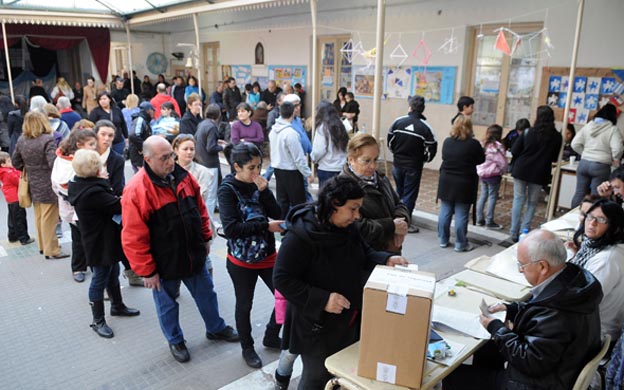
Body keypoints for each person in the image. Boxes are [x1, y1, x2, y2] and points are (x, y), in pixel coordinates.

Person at [273, 175, 409, 389]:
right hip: (314, 325)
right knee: (316, 377)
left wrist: (386, 259)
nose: (357, 216)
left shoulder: (348, 227)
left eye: (359, 209)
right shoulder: (301, 236)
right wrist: (323, 299)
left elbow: (365, 252)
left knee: (340, 374)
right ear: (334, 204)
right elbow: (282, 278)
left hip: (346, 319)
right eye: (353, 209)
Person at [121, 136, 239, 363]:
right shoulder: (136, 190)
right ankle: (175, 340)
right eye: (164, 158)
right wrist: (147, 271)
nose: (171, 161)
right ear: (147, 159)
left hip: (193, 254)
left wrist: (206, 237)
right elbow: (133, 236)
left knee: (206, 294)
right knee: (167, 305)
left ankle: (215, 328)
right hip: (163, 264)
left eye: (171, 156)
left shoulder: (183, 177)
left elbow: (200, 209)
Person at [444, 229, 602, 390]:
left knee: (450, 375)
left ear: (542, 266)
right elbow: (541, 308)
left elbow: (530, 361)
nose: (520, 270)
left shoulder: (557, 314)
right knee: (488, 348)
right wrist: (511, 308)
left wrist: (496, 328)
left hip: (538, 383)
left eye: (522, 265)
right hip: (559, 369)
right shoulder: (573, 281)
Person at [218, 143, 284, 368]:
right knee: (244, 305)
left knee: (286, 296)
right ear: (236, 166)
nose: (257, 172)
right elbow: (231, 229)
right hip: (241, 261)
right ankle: (247, 348)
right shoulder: (227, 189)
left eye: (259, 166)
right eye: (251, 168)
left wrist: (265, 193)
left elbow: (277, 214)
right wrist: (265, 227)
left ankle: (271, 335)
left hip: (268, 256)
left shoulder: (260, 185)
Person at [68, 149, 140, 338]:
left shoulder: (81, 184)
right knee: (100, 278)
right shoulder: (93, 192)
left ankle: (117, 306)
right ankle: (98, 320)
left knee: (112, 271)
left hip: (102, 238)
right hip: (99, 242)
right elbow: (119, 205)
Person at [12, 111, 69, 259]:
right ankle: (52, 250)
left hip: (32, 182)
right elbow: (52, 162)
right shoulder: (47, 139)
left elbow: (15, 162)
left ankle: (43, 246)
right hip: (48, 183)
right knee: (50, 218)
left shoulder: (21, 140)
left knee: (39, 216)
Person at [340, 133, 410, 253]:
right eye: (366, 160)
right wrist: (391, 227)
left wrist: (401, 223)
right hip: (366, 256)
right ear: (351, 159)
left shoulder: (381, 178)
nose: (372, 166)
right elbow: (356, 227)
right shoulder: (343, 187)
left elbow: (398, 203)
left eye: (375, 159)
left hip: (391, 251)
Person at [566, 198, 624, 341]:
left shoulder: (607, 260)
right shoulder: (593, 246)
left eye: (601, 220)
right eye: (590, 217)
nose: (592, 223)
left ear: (615, 227)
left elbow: (580, 301)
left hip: (592, 331)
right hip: (586, 319)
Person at [51, 128, 98, 283]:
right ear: (79, 144)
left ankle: (90, 265)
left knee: (86, 237)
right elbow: (60, 184)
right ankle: (79, 267)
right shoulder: (66, 162)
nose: (94, 147)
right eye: (91, 144)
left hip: (84, 208)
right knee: (80, 238)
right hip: (74, 208)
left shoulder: (80, 158)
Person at [509, 106, 562, 242]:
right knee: (532, 203)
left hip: (521, 170)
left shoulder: (527, 132)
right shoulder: (556, 136)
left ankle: (513, 232)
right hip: (539, 173)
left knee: (518, 200)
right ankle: (524, 231)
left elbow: (514, 150)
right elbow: (555, 158)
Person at [387, 95, 438, 233]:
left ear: (410, 107)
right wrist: (424, 159)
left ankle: (396, 218)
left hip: (397, 163)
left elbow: (390, 141)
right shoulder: (426, 127)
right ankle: (404, 223)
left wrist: (396, 153)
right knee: (409, 194)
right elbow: (431, 149)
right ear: (423, 109)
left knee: (399, 191)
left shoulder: (398, 122)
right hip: (414, 166)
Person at [437, 115, 485, 252]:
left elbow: (444, 157)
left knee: (445, 211)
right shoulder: (473, 144)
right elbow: (481, 160)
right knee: (461, 213)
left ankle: (443, 239)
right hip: (465, 182)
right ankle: (460, 243)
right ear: (469, 128)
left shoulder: (447, 142)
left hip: (446, 180)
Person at [172, 134, 216, 275]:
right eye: (185, 149)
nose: (189, 152)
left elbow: (199, 199)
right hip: (175, 224)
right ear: (175, 150)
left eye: (192, 149)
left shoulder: (203, 172)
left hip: (198, 222)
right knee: (176, 256)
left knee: (204, 258)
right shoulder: (167, 170)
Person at [571, 104, 623, 208]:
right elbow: (618, 149)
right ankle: (591, 218)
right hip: (601, 166)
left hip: (583, 163)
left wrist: (585, 153)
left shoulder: (588, 125)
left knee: (579, 193)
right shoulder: (612, 129)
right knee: (597, 195)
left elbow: (574, 144)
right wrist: (614, 158)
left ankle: (574, 216)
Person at [268, 101, 312, 218]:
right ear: (293, 112)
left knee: (282, 202)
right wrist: (308, 173)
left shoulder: (273, 130)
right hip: (292, 172)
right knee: (298, 204)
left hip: (278, 169)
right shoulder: (291, 133)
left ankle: (282, 227)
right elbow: (298, 158)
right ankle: (299, 228)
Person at [195, 104, 228, 226]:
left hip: (201, 161)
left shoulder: (202, 124)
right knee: (211, 195)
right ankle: (209, 221)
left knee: (204, 193)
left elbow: (201, 140)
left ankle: (205, 219)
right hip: (210, 164)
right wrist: (223, 147)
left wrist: (217, 141)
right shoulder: (212, 127)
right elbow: (211, 147)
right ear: (218, 114)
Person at [476, 124, 508, 229]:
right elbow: (502, 162)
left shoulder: (482, 144)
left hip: (483, 174)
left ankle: (479, 218)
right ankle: (489, 221)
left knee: (483, 195)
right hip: (494, 175)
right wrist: (504, 171)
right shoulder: (498, 147)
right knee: (492, 197)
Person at [312, 101, 349, 186]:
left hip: (326, 168)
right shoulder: (342, 125)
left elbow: (319, 150)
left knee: (326, 197)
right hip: (341, 168)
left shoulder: (322, 128)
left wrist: (314, 158)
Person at [0, 151, 33, 245]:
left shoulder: (4, 172)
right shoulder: (8, 172)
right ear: (3, 164)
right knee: (20, 218)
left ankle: (12, 235)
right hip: (15, 197)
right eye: (9, 161)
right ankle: (24, 238)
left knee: (12, 217)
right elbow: (18, 180)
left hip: (10, 199)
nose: (11, 163)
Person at [88, 92, 128, 156]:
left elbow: (123, 124)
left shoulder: (116, 110)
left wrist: (126, 137)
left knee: (119, 159)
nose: (102, 101)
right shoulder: (95, 112)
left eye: (104, 99)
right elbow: (90, 125)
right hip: (103, 141)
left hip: (118, 140)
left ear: (109, 99)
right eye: (100, 99)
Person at [128, 102, 155, 173]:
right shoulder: (140, 120)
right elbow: (133, 135)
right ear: (149, 110)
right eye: (153, 110)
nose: (154, 113)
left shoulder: (144, 120)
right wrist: (142, 147)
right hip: (138, 157)